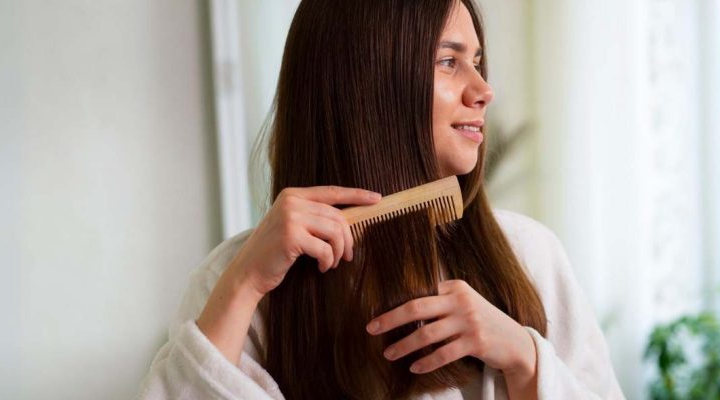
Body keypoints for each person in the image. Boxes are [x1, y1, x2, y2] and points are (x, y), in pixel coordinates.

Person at [136, 0, 624, 399]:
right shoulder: (240, 282)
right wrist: (242, 284)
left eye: (477, 61)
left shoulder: (530, 253)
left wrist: (524, 358)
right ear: (369, 81)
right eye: (449, 61)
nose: (483, 90)